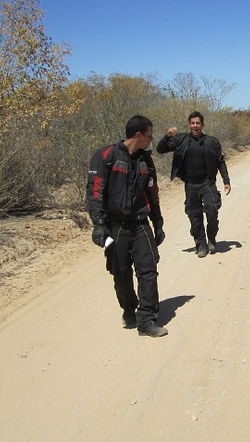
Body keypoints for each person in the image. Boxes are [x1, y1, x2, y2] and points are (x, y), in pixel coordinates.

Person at [86, 115, 168, 337]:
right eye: (150, 134)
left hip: (140, 223)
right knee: (120, 272)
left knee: (148, 270)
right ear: (138, 135)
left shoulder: (146, 161)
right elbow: (95, 192)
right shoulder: (106, 156)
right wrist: (99, 225)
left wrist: (157, 222)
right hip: (114, 226)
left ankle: (147, 320)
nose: (152, 138)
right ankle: (129, 310)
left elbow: (153, 192)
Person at [156, 111, 231, 258]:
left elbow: (220, 162)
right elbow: (161, 149)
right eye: (192, 123)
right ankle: (201, 244)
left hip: (207, 182)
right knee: (194, 216)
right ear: (189, 124)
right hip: (190, 184)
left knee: (212, 210)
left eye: (198, 123)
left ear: (202, 125)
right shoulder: (180, 139)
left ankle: (212, 239)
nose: (195, 126)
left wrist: (226, 181)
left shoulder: (212, 141)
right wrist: (167, 136)